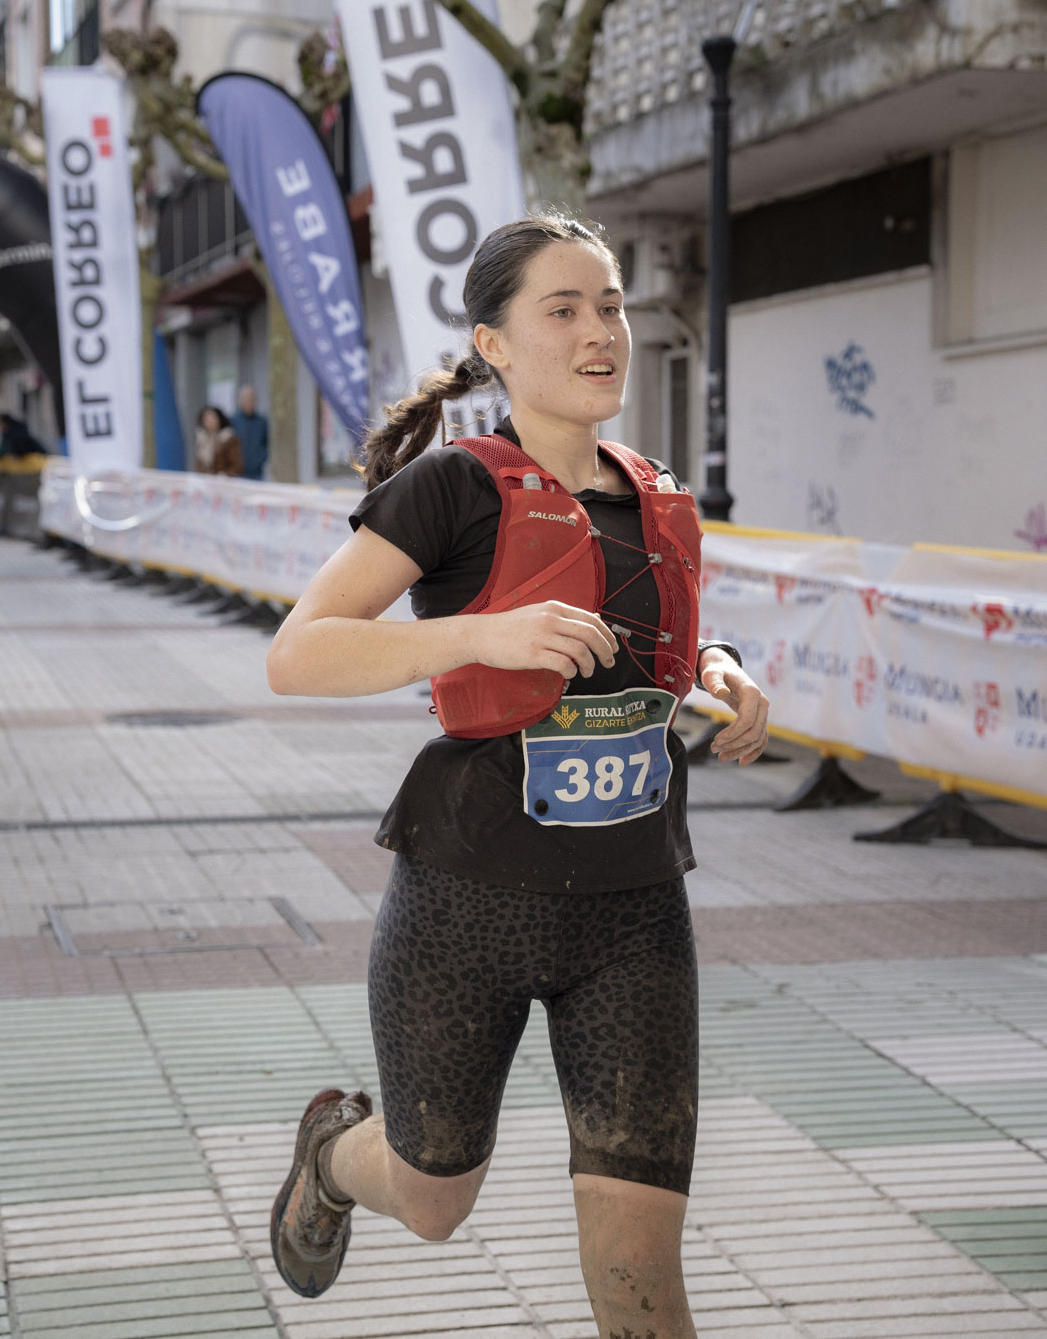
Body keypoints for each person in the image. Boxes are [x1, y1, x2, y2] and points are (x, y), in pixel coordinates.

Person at [265, 215, 769, 1339]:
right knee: (433, 1199)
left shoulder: (656, 492)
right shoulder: (452, 487)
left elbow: (662, 641)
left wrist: (721, 672)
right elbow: (296, 654)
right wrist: (477, 636)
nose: (601, 332)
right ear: (493, 343)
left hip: (636, 912)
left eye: (611, 307)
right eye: (564, 309)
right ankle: (334, 1158)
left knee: (640, 1266)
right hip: (467, 905)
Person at [193, 404, 243, 476]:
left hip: (224, 480)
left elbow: (237, 466)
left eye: (212, 418)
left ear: (219, 419)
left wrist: (223, 476)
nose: (209, 421)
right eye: (206, 419)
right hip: (205, 480)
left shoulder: (229, 439)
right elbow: (200, 464)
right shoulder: (202, 439)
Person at [231, 384, 269, 480]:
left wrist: (260, 458)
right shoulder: (233, 421)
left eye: (251, 398)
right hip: (237, 473)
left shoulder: (262, 421)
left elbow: (267, 443)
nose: (249, 402)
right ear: (240, 400)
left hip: (257, 473)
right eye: (245, 399)